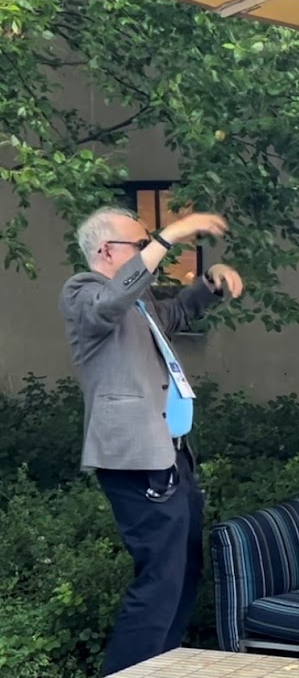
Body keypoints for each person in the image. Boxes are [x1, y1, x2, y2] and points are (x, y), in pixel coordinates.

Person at [60, 206, 243, 676]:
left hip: (171, 453)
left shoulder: (140, 304)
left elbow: (178, 311)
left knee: (184, 573)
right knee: (160, 578)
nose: (150, 254)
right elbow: (110, 304)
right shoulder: (84, 292)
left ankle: (160, 667)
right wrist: (172, 233)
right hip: (134, 458)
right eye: (139, 246)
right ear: (106, 251)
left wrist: (211, 282)